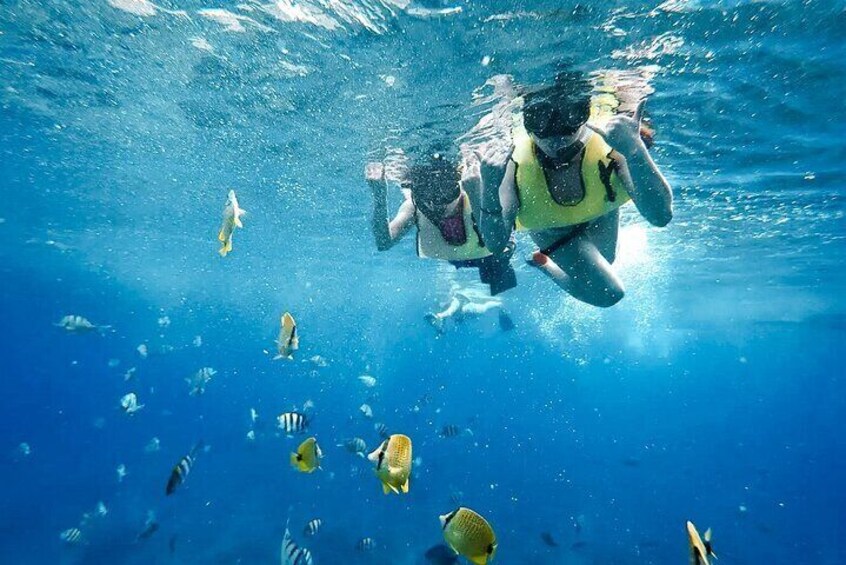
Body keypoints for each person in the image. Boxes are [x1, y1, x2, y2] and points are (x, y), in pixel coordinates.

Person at [474, 72, 673, 307]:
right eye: (539, 117)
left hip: (600, 215)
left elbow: (661, 217)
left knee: (607, 260)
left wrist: (635, 150)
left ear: (585, 112)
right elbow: (495, 244)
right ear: (525, 119)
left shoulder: (613, 140)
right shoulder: (512, 161)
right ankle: (545, 265)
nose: (555, 133)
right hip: (555, 233)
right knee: (610, 294)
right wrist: (489, 186)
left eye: (571, 114)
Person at [366, 152, 516, 296]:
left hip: (494, 259)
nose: (435, 203)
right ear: (415, 191)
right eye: (425, 194)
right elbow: (384, 243)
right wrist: (379, 196)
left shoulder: (473, 187)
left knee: (501, 283)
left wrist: (476, 194)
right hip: (455, 259)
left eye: (446, 192)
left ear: (457, 186)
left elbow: (496, 242)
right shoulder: (413, 207)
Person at [425, 279, 514, 335]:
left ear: (451, 294)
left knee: (485, 307)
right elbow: (445, 318)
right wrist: (439, 328)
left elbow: (450, 312)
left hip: (471, 311)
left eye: (446, 294)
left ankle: (499, 305)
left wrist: (439, 316)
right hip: (461, 316)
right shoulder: (443, 304)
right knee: (457, 322)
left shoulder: (454, 301)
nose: (443, 297)